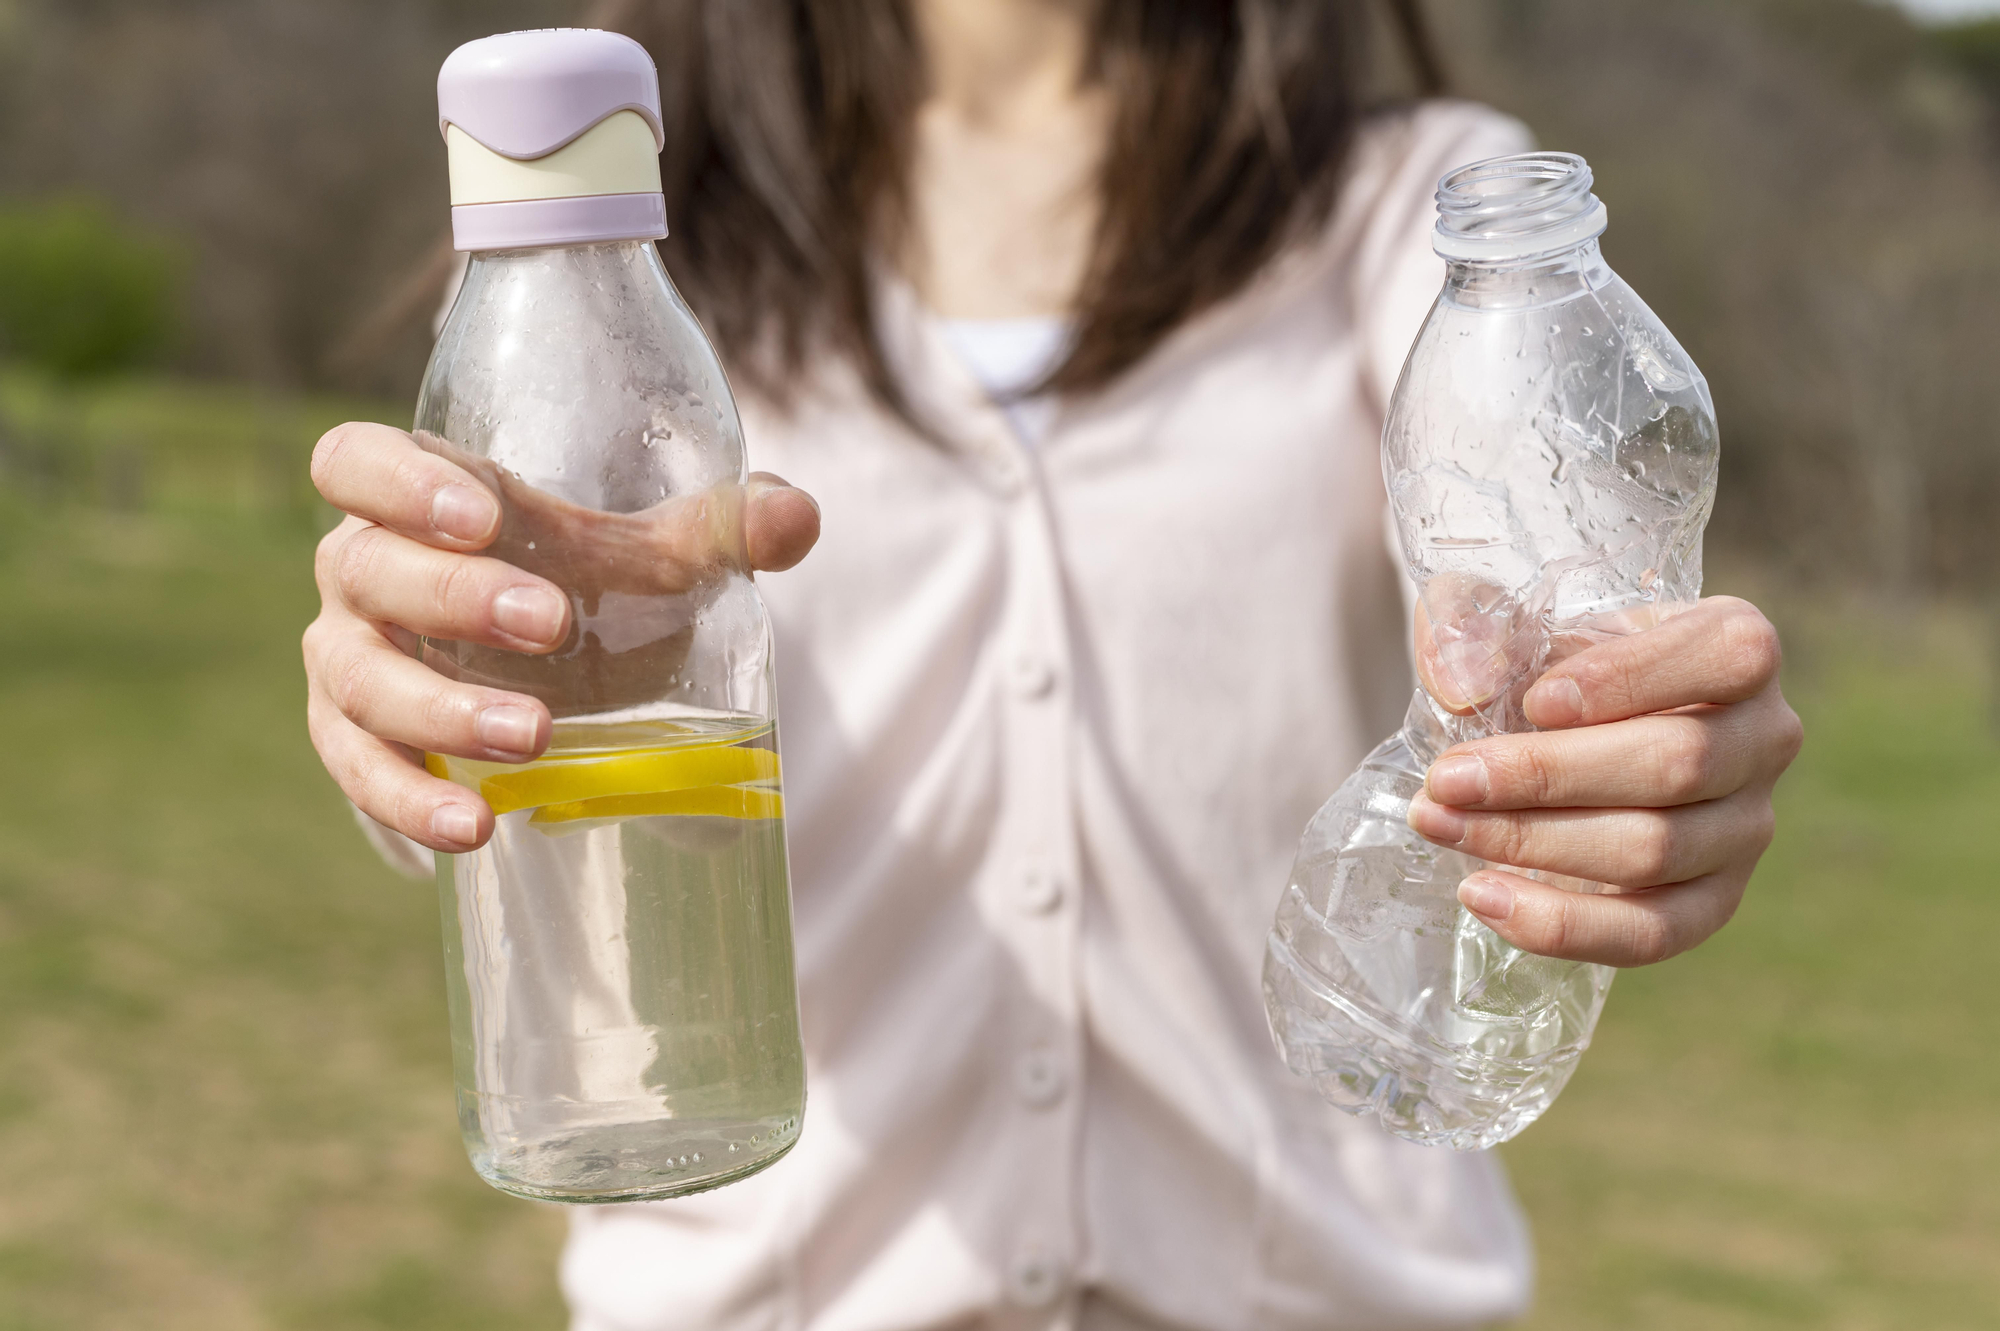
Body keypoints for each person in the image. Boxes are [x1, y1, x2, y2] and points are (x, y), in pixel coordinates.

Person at [303, 1, 1804, 1327]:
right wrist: (443, 710)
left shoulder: (1409, 208)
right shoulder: (616, 233)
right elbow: (516, 708)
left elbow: (1542, 555)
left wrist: (1622, 720)